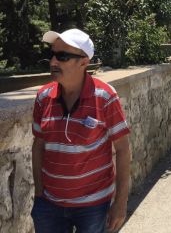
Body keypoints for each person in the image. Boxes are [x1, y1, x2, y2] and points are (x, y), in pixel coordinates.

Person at [31, 28, 131, 233]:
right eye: (52, 55)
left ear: (84, 62)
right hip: (50, 205)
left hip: (93, 205)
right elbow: (38, 146)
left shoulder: (104, 96)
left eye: (62, 56)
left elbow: (123, 149)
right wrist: (39, 193)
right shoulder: (43, 97)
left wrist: (120, 203)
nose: (53, 62)